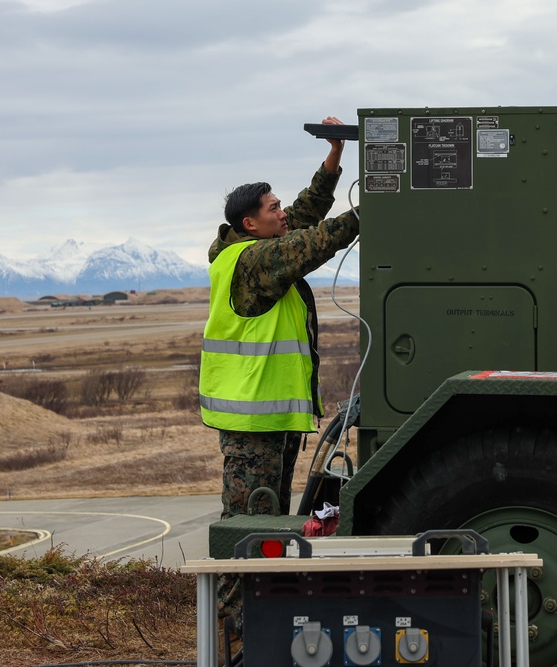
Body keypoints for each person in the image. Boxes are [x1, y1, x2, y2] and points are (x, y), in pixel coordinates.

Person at [198, 115, 359, 644]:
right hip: (252, 422)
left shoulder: (251, 247)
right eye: (272, 209)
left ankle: (258, 622)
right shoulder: (253, 262)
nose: (281, 213)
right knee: (250, 525)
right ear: (250, 224)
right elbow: (313, 240)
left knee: (268, 521)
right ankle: (238, 635)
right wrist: (373, 207)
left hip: (270, 418)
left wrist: (334, 158)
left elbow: (304, 216)